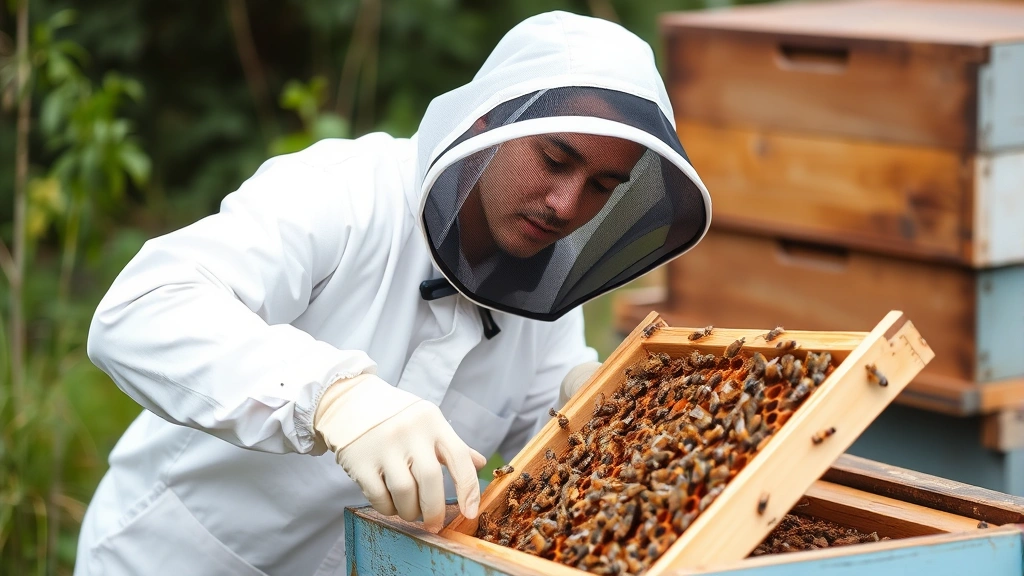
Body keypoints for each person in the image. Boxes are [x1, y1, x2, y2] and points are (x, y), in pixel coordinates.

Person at [74, 10, 710, 576]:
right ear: (489, 119)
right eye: (555, 158)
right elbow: (139, 310)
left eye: (602, 185)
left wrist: (593, 405)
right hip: (173, 556)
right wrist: (333, 397)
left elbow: (541, 433)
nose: (568, 203)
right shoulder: (342, 194)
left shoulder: (543, 297)